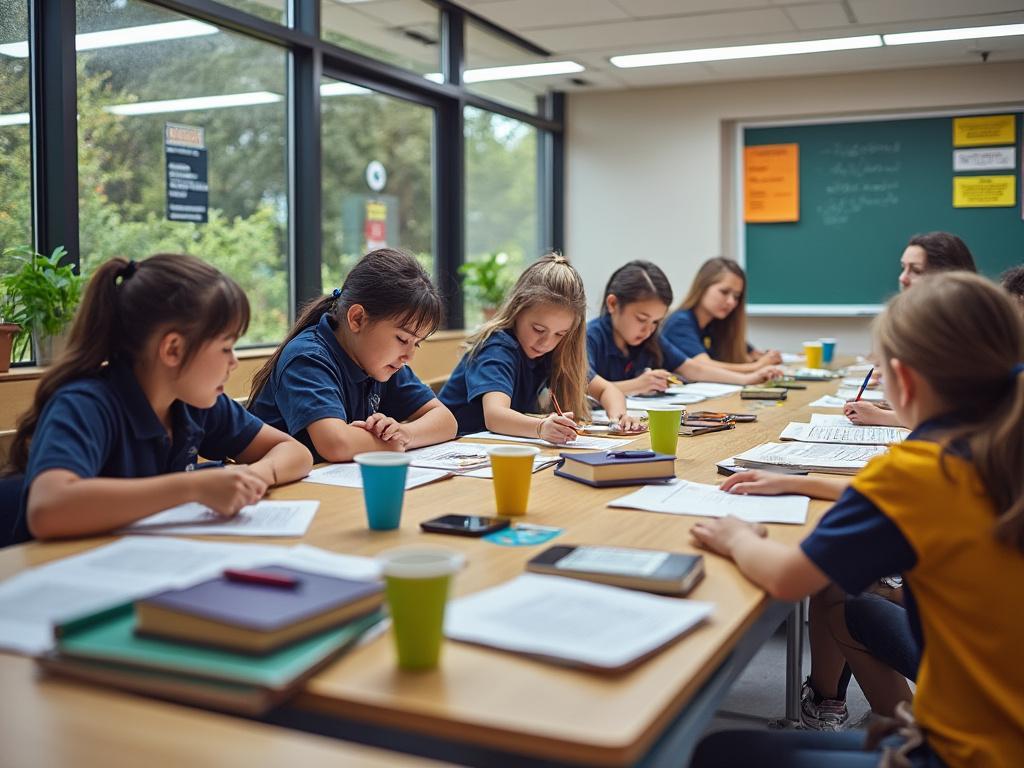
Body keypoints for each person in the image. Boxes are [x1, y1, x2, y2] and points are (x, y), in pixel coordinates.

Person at [691, 272, 1024, 767]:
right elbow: (912, 500)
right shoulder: (996, 447)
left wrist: (738, 537)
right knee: (855, 608)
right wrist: (799, 480)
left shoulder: (916, 470)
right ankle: (907, 729)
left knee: (720, 752)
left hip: (978, 753)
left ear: (903, 381)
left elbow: (787, 579)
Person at [6, 254, 312, 540]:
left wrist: (255, 475)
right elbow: (48, 510)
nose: (233, 361)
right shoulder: (85, 403)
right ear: (173, 349)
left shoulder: (196, 403)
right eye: (225, 347)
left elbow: (295, 453)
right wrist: (191, 487)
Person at [721, 470, 915, 729]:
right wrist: (792, 482)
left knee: (842, 581)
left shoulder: (937, 455)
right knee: (847, 587)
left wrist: (737, 538)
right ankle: (837, 710)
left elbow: (787, 581)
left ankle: (900, 729)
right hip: (979, 642)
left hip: (972, 665)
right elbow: (881, 495)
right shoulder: (968, 445)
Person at [249, 248, 456, 463]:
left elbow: (446, 421)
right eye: (402, 340)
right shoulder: (307, 358)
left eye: (417, 344)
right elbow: (336, 444)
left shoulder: (380, 363)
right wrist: (391, 443)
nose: (409, 356)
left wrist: (405, 434)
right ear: (357, 319)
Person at [440, 253, 642, 441]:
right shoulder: (496, 347)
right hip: (454, 449)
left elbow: (608, 389)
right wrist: (540, 427)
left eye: (560, 334)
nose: (547, 342)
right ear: (518, 310)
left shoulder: (554, 352)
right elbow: (495, 415)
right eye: (538, 329)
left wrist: (620, 417)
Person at [588, 261, 785, 395]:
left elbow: (693, 369)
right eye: (641, 319)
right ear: (613, 305)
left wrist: (750, 379)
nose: (648, 330)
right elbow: (578, 391)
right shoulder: (591, 337)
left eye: (656, 322)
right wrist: (636, 385)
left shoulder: (650, 339)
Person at [847, 232, 977, 427]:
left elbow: (964, 417)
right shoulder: (928, 324)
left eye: (915, 270)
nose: (903, 278)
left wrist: (882, 417)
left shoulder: (966, 331)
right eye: (903, 268)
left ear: (947, 276)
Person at [660, 257, 783, 380]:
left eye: (736, 296)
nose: (731, 302)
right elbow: (703, 366)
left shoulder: (716, 323)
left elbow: (751, 353)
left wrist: (767, 357)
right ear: (703, 287)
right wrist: (757, 366)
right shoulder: (680, 322)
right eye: (724, 292)